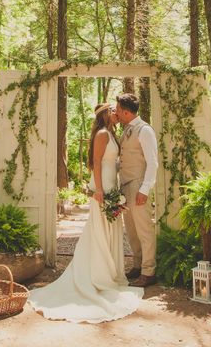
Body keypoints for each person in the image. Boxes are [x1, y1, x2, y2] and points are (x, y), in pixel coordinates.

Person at [28, 103, 143, 323]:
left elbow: (111, 162)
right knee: (99, 228)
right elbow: (97, 163)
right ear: (105, 115)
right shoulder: (101, 134)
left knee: (109, 227)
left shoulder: (111, 133)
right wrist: (98, 189)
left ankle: (109, 272)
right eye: (113, 111)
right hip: (102, 186)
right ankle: (97, 274)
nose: (117, 113)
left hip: (111, 183)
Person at [115, 93, 158, 287]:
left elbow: (153, 163)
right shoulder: (126, 130)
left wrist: (145, 189)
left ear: (126, 111)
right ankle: (138, 265)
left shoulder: (145, 130)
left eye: (117, 110)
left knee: (144, 230)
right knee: (131, 231)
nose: (116, 113)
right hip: (125, 185)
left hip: (139, 185)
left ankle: (149, 272)